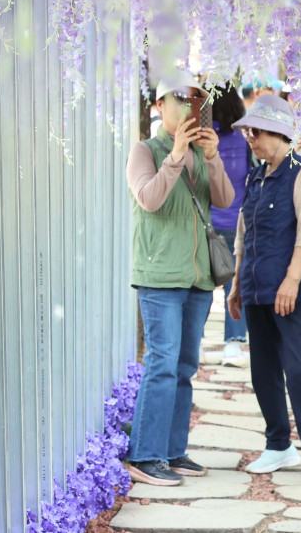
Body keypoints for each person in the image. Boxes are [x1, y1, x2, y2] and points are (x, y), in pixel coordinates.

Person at [125, 71, 235, 486]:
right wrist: (175, 155)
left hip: (198, 277)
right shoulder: (145, 151)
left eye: (196, 100)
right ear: (159, 105)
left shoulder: (201, 153)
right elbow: (149, 199)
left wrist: (213, 157)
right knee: (162, 363)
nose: (189, 107)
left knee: (185, 365)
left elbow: (225, 199)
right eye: (180, 98)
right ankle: (145, 455)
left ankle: (172, 450)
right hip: (160, 276)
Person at [227, 95, 301, 480]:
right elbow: (244, 233)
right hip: (256, 287)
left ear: (278, 132)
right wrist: (237, 284)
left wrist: (292, 280)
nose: (250, 138)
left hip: (293, 291)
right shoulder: (255, 176)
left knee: (298, 367)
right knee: (263, 370)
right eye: (248, 131)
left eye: (256, 131)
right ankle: (278, 445)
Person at [210, 86, 251, 367]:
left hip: (207, 223)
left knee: (200, 285)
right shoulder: (244, 138)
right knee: (235, 284)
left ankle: (196, 341)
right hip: (237, 222)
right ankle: (233, 346)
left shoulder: (201, 137)